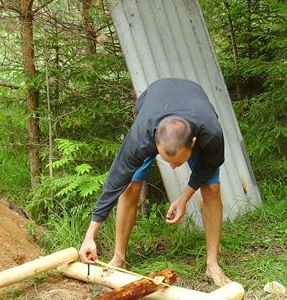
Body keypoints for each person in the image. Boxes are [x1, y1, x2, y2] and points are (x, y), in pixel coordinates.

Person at [78, 77, 231, 286]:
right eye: (167, 161)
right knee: (130, 186)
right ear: (154, 141)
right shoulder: (142, 136)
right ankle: (119, 258)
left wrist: (184, 198)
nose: (173, 167)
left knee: (212, 189)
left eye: (179, 162)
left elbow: (208, 168)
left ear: (193, 143)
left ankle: (212, 264)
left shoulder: (210, 133)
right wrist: (90, 235)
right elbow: (115, 183)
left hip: (194, 104)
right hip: (153, 99)